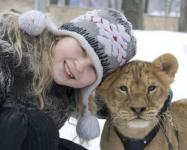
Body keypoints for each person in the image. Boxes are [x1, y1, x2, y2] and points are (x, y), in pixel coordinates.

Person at [0, 9, 136, 150]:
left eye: (94, 68)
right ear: (62, 36)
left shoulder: (72, 91)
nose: (80, 67)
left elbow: (117, 102)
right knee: (37, 125)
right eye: (83, 49)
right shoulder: (9, 57)